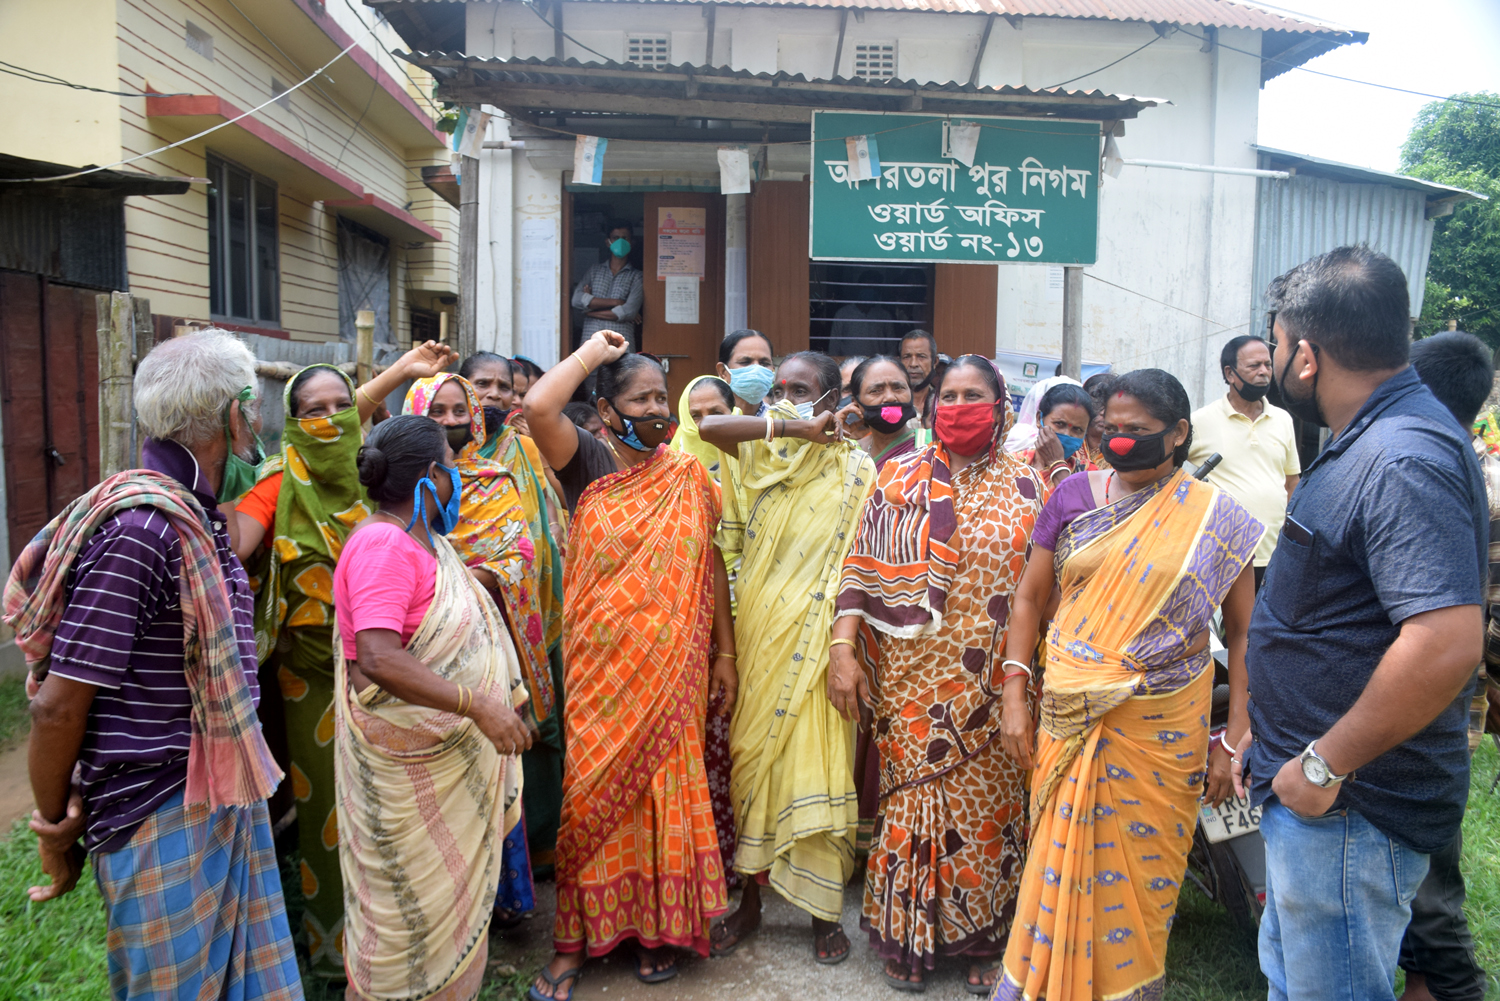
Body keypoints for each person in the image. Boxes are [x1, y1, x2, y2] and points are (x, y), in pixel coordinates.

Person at [10, 330, 300, 999]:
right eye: (255, 409)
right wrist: (55, 830)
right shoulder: (142, 532)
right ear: (234, 415)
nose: (259, 425)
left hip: (217, 791)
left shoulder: (193, 518)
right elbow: (56, 707)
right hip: (161, 808)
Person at [1235, 247, 1486, 1001]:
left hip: (1349, 808)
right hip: (1317, 796)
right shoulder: (1372, 435)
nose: (1274, 363)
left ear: (1306, 356)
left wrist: (1322, 766)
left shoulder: (1400, 455)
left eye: (1277, 347)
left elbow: (1444, 641)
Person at [997, 368, 1261, 1001]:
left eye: (1137, 430)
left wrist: (1235, 737)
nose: (1119, 440)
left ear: (1178, 433)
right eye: (1110, 428)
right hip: (1070, 708)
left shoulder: (1219, 519)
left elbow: (1245, 634)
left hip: (1163, 722)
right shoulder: (1071, 496)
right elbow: (1029, 599)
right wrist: (1013, 694)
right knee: (1058, 857)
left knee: (1141, 874)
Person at [229, 343, 456, 978]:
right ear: (294, 421)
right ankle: (340, 953)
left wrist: (402, 372)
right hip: (309, 682)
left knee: (394, 804)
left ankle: (411, 931)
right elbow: (239, 540)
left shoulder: (371, 473)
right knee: (329, 813)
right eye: (313, 410)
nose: (329, 420)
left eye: (340, 406)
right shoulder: (279, 480)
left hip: (393, 674)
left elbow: (351, 419)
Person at [524, 330, 737, 998]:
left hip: (674, 669)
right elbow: (537, 407)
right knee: (592, 795)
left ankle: (656, 931)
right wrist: (592, 352)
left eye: (661, 398)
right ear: (606, 409)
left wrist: (725, 653)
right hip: (602, 672)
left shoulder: (687, 474)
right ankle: (574, 942)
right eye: (640, 399)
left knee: (663, 792)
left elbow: (709, 563)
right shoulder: (586, 460)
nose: (656, 410)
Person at [833, 356, 1044, 994]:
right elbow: (859, 566)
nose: (957, 406)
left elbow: (1046, 589)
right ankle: (907, 932)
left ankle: (983, 936)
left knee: (991, 807)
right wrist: (844, 649)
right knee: (909, 800)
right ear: (931, 405)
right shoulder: (897, 474)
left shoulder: (1029, 485)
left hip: (996, 681)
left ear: (1000, 404)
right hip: (910, 674)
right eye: (947, 395)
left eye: (972, 395)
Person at [332, 414, 534, 1001]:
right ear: (429, 476)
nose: (458, 477)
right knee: (406, 920)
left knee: (446, 908)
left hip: (446, 757)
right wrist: (477, 706)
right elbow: (377, 655)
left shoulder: (427, 545)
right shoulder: (383, 546)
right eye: (451, 464)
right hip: (406, 766)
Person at [697, 352, 875, 965]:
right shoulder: (756, 448)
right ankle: (749, 901)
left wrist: (844, 647)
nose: (783, 397)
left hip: (823, 640)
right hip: (759, 633)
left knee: (818, 766)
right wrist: (791, 425)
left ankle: (824, 913)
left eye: (801, 390)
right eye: (777, 389)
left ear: (831, 399)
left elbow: (859, 569)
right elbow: (709, 427)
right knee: (754, 766)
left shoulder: (857, 469)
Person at [404, 373, 560, 895]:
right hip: (421, 643)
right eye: (437, 411)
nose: (449, 421)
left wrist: (456, 584)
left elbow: (519, 554)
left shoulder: (494, 480)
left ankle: (502, 888)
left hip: (490, 638)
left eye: (458, 410)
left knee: (496, 750)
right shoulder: (397, 485)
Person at [1397, 330, 1494, 1001]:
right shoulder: (1463, 464)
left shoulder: (1442, 473)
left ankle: (1450, 985)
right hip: (1445, 701)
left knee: (1431, 870)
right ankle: (1425, 983)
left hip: (1430, 704)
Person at [460, 351, 570, 872]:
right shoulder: (445, 450)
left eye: (504, 386)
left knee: (539, 728)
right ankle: (492, 865)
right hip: (466, 616)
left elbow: (547, 523)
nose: (495, 394)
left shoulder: (523, 447)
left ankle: (542, 847)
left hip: (535, 609)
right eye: (482, 383)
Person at [832, 354, 918, 862]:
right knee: (853, 719)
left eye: (898, 388)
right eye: (876, 391)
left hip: (904, 620)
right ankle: (851, 842)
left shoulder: (929, 456)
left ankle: (889, 839)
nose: (889, 399)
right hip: (848, 611)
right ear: (856, 402)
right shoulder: (846, 457)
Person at [672, 374, 744, 883]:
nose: (705, 423)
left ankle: (744, 856)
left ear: (735, 410)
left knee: (744, 740)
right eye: (694, 414)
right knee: (703, 741)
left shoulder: (757, 459)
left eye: (715, 411)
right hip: (692, 623)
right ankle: (702, 858)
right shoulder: (674, 467)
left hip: (755, 611)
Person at [1189, 334, 1301, 590]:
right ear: (1230, 374)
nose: (1264, 372)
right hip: (1224, 555)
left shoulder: (1283, 419)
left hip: (1275, 553)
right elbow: (1168, 472)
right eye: (1254, 366)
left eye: (1268, 365)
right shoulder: (1200, 421)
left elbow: (1291, 483)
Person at [1012, 382, 1096, 493]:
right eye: (1059, 424)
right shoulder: (1011, 465)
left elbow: (1076, 503)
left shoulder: (1089, 475)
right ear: (1039, 419)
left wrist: (1056, 463)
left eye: (1077, 430)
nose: (1067, 434)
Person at [572, 223, 644, 346]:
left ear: (632, 243)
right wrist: (617, 302)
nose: (620, 242)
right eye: (616, 238)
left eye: (625, 238)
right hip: (591, 343)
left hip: (620, 344)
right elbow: (576, 300)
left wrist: (589, 310)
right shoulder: (594, 271)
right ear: (608, 242)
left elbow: (629, 312)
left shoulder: (637, 276)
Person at [828, 272, 898, 357]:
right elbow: (834, 347)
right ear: (859, 288)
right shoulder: (843, 314)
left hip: (876, 364)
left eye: (874, 288)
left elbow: (892, 348)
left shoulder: (884, 316)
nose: (870, 290)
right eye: (867, 287)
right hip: (850, 364)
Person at [716, 329, 777, 415]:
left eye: (764, 363)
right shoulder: (706, 419)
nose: (756, 370)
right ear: (723, 371)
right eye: (745, 362)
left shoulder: (780, 420)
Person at [899, 330, 939, 426]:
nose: (913, 364)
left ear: (934, 362)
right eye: (907, 357)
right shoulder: (891, 403)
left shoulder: (943, 402)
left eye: (921, 357)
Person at [1082, 372, 1116, 467]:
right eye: (1096, 404)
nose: (1103, 413)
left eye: (1110, 406)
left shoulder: (1125, 453)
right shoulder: (1069, 445)